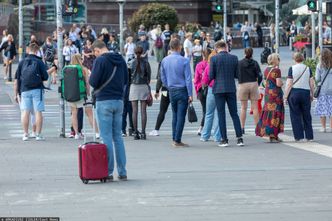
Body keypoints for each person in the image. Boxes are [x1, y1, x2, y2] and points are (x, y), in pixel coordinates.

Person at [89, 40, 128, 181]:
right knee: (118, 137)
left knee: (106, 137)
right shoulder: (120, 59)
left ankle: (109, 171)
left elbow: (93, 82)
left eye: (94, 53)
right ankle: (122, 171)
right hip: (118, 101)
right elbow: (125, 80)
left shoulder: (100, 61)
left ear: (97, 50)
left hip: (104, 101)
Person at [209, 40, 243, 147]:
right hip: (231, 88)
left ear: (217, 48)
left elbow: (211, 76)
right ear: (225, 47)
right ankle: (239, 138)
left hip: (218, 89)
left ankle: (224, 139)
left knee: (221, 114)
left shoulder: (214, 58)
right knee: (234, 113)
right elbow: (237, 75)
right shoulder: (234, 58)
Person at [161, 38, 193, 147]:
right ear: (179, 47)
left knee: (174, 115)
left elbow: (163, 77)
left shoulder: (165, 60)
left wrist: (168, 86)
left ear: (170, 47)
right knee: (181, 116)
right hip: (182, 89)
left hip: (171, 90)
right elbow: (188, 79)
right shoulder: (184, 60)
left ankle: (174, 137)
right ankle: (177, 139)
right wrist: (190, 94)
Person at [14, 43, 48, 141]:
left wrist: (16, 93)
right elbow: (45, 77)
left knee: (25, 111)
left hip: (24, 89)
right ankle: (38, 134)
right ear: (37, 51)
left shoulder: (22, 62)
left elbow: (17, 79)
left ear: (28, 50)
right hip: (37, 89)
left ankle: (25, 134)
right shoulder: (39, 61)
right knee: (38, 112)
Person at [284, 52, 314, 141]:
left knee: (295, 115)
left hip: (294, 93)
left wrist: (285, 96)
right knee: (307, 115)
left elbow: (289, 83)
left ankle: (298, 136)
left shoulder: (292, 69)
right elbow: (311, 83)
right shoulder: (308, 68)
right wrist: (312, 94)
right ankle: (309, 136)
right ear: (303, 58)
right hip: (305, 92)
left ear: (294, 59)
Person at [68, 54, 99, 140]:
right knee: (90, 114)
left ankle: (76, 134)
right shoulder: (84, 69)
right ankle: (96, 133)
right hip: (82, 94)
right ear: (79, 59)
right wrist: (88, 93)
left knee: (74, 114)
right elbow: (87, 84)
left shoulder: (68, 68)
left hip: (72, 94)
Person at [255, 53, 284, 143]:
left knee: (268, 114)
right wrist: (282, 83)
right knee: (276, 114)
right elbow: (278, 83)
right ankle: (273, 135)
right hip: (276, 95)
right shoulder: (277, 70)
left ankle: (271, 134)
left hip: (268, 95)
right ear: (276, 60)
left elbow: (264, 83)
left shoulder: (266, 70)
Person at [238, 47, 262, 135]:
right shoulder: (255, 63)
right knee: (255, 107)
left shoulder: (240, 63)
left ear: (244, 53)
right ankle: (257, 128)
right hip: (253, 83)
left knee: (243, 108)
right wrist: (258, 83)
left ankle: (242, 128)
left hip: (243, 84)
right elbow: (260, 75)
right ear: (252, 53)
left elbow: (236, 74)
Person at [129, 46, 151, 140]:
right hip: (143, 86)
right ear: (142, 52)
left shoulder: (130, 63)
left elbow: (128, 76)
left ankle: (135, 133)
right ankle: (143, 133)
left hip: (134, 86)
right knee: (143, 111)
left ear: (134, 53)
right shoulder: (146, 63)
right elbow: (149, 77)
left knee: (134, 111)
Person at [200, 50, 221, 142]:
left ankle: (205, 135)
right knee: (218, 113)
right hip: (221, 89)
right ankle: (217, 136)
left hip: (212, 89)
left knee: (209, 113)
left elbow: (204, 81)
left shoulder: (209, 66)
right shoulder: (221, 66)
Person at [149, 62, 170, 137]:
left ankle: (156, 129)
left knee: (162, 110)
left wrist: (157, 90)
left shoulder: (164, 65)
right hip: (176, 89)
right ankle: (177, 130)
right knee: (176, 111)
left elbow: (160, 79)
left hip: (165, 89)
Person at [314, 48, 332, 133]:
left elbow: (317, 78)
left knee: (322, 109)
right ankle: (331, 127)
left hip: (323, 91)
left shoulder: (319, 65)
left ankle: (323, 127)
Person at [194, 50, 209, 136]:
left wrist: (197, 91)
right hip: (209, 89)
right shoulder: (210, 64)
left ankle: (201, 128)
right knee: (209, 111)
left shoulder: (199, 65)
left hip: (201, 89)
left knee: (205, 109)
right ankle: (203, 128)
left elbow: (196, 80)